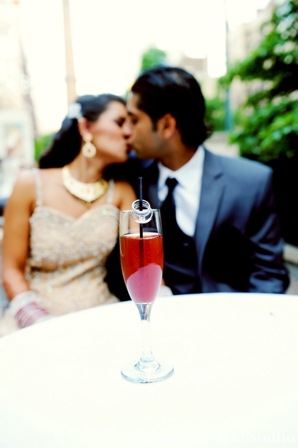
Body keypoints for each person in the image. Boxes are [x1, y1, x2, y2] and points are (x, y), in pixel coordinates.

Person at [119, 65, 289, 294]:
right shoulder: (131, 177)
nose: (126, 131)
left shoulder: (251, 182)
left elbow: (269, 275)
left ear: (167, 125)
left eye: (134, 120)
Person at [0, 93, 136, 336]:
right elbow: (10, 270)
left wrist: (162, 305)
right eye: (119, 122)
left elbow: (143, 259)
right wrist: (40, 322)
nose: (129, 132)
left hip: (103, 319)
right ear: (86, 126)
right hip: (35, 320)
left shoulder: (122, 192)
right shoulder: (29, 185)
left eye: (131, 124)